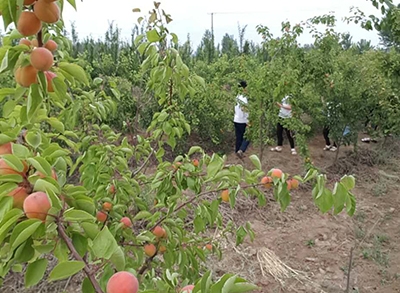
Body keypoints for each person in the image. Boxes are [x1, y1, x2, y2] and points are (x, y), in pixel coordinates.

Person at [234, 80, 250, 159]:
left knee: (239, 136)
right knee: (247, 136)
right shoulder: (244, 99)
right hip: (243, 120)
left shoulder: (237, 96)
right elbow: (245, 110)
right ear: (244, 88)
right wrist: (248, 121)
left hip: (236, 119)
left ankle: (237, 151)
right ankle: (241, 150)